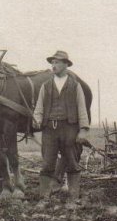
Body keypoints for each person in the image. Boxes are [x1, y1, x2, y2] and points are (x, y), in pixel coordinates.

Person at [33, 51, 90, 203]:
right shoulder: (46, 86)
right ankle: (44, 198)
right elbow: (39, 107)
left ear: (66, 65)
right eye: (52, 62)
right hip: (49, 129)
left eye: (57, 62)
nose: (54, 65)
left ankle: (73, 197)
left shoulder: (75, 86)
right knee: (47, 163)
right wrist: (37, 119)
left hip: (69, 128)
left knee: (71, 161)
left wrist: (83, 129)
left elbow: (81, 107)